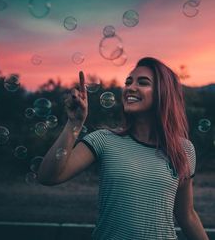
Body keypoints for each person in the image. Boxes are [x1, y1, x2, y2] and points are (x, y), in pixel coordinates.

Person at [37, 57, 209, 240]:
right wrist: (74, 123)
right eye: (128, 82)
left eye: (143, 82)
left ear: (163, 93)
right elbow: (48, 177)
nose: (130, 87)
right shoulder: (103, 140)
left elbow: (187, 215)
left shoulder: (184, 150)